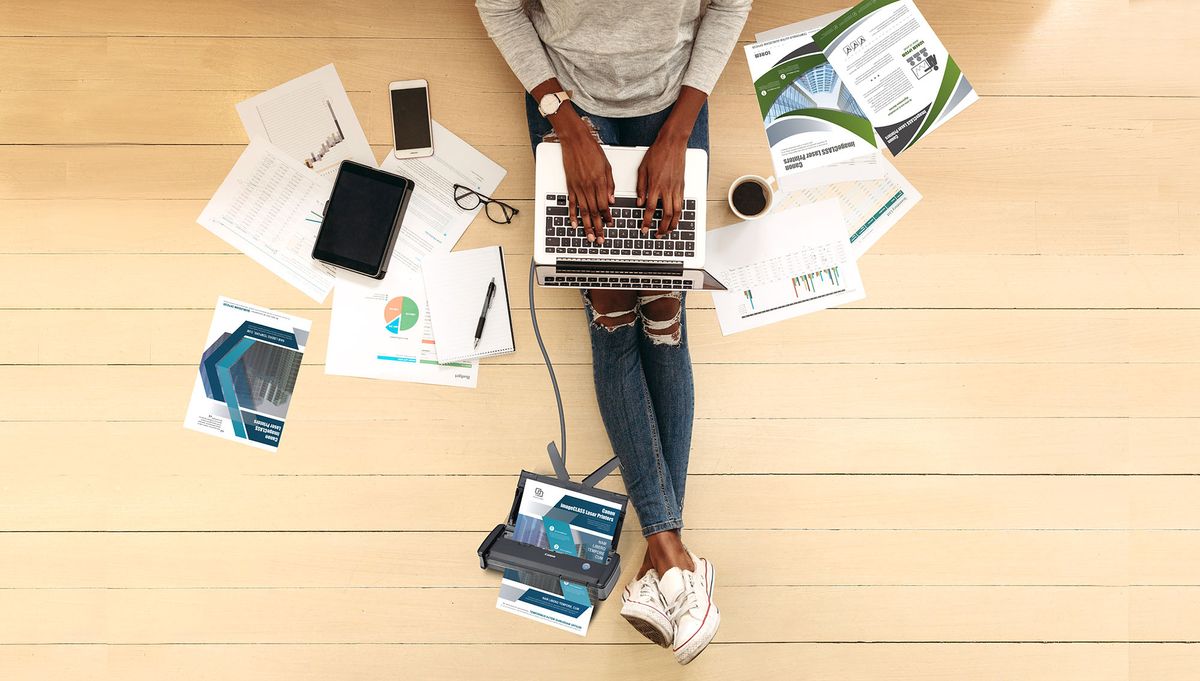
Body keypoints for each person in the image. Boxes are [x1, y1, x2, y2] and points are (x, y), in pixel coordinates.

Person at [477, 0, 750, 665]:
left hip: (673, 96)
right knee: (609, 307)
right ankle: (672, 555)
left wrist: (681, 126)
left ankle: (667, 555)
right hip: (568, 99)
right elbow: (499, 6)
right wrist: (562, 122)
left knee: (662, 309)